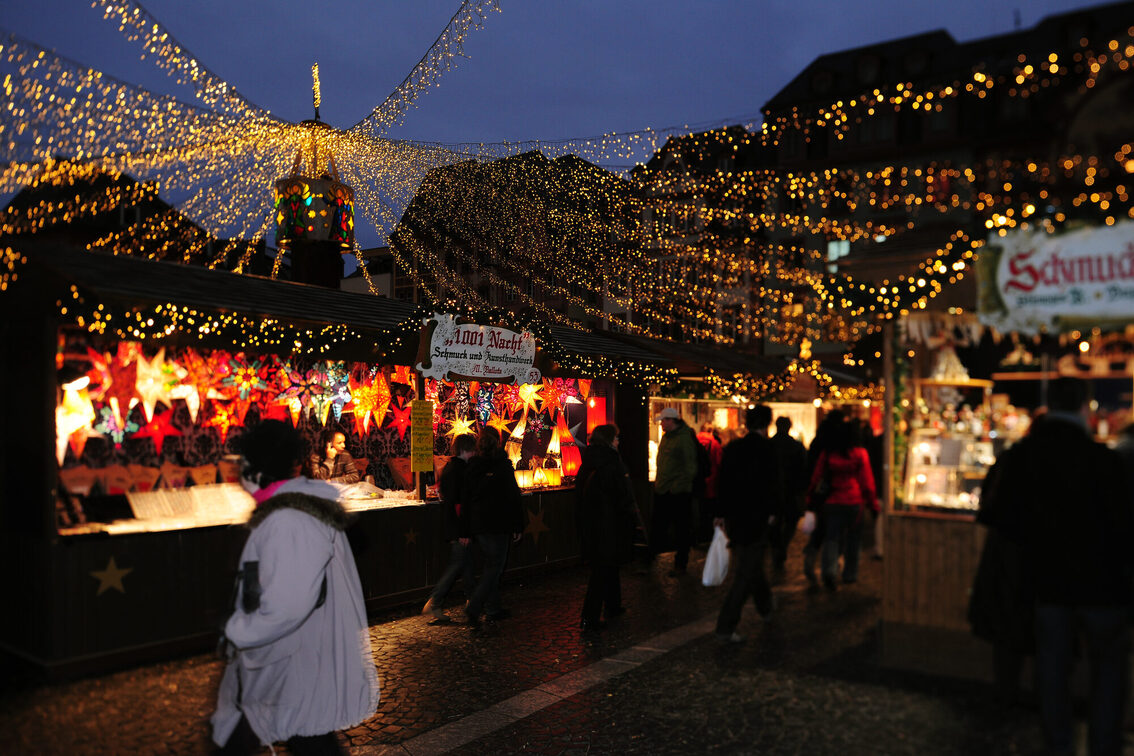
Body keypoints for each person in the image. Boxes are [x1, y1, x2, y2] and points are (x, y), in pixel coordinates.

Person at [982, 378, 1133, 755]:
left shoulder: (1022, 456)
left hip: (1048, 585)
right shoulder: (1104, 460)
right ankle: (1104, 745)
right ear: (1085, 408)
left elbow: (1000, 519)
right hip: (1105, 588)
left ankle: (1058, 746)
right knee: (1109, 672)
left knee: (1052, 672)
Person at [212, 420, 379, 755]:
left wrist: (236, 630)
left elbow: (287, 605)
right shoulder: (289, 513)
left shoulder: (289, 520)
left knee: (304, 740)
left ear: (259, 471)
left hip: (294, 665)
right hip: (288, 663)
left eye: (241, 466)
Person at [713, 405, 783, 643]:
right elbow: (774, 484)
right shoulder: (769, 449)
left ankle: (765, 607)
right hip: (759, 516)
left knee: (750, 563)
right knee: (746, 571)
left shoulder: (733, 448)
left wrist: (720, 512)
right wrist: (773, 512)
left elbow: (724, 481)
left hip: (736, 515)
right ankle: (725, 626)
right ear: (766, 425)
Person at [461, 426, 524, 631]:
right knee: (495, 566)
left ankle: (493, 607)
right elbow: (513, 497)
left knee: (491, 565)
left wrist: (466, 528)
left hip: (479, 523)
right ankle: (476, 605)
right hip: (499, 522)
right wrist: (517, 524)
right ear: (498, 442)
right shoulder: (503, 466)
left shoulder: (472, 466)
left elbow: (467, 499)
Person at [575, 423, 637, 633]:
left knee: (608, 566)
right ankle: (589, 617)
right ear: (609, 440)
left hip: (592, 524)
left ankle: (613, 605)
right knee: (602, 570)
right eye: (617, 438)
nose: (619, 441)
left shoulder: (588, 462)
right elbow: (621, 495)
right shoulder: (611, 463)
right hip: (609, 525)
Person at [808, 416, 876, 591]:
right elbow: (867, 482)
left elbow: (816, 478)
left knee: (831, 538)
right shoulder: (860, 454)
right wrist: (873, 503)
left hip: (832, 501)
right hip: (854, 501)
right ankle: (850, 574)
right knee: (854, 539)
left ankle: (829, 571)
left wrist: (811, 499)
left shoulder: (829, 453)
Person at [421, 434, 477, 625]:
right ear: (466, 450)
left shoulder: (449, 468)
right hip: (459, 527)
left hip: (453, 525)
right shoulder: (461, 471)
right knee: (457, 564)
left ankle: (472, 601)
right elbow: (460, 504)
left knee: (465, 562)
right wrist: (464, 531)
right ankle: (435, 601)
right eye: (472, 450)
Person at [651, 407, 698, 576]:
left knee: (680, 529)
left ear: (671, 421)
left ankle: (680, 563)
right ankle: (652, 558)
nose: (661, 424)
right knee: (660, 526)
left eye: (663, 421)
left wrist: (676, 487)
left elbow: (690, 466)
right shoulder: (667, 438)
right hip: (664, 489)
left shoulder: (683, 439)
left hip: (677, 493)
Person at [802, 410, 845, 585]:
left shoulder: (817, 441)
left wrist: (810, 493)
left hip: (820, 494)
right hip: (837, 493)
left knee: (819, 531)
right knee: (835, 533)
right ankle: (831, 568)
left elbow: (811, 468)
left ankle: (810, 562)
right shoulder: (841, 444)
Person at [769, 416, 808, 582]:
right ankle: (782, 546)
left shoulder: (769, 446)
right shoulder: (796, 446)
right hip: (792, 490)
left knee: (774, 522)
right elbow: (804, 469)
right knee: (790, 521)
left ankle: (778, 546)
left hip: (773, 491)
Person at [696, 422, 724, 545]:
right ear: (711, 431)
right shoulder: (715, 444)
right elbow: (720, 464)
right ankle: (708, 536)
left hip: (697, 482)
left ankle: (699, 535)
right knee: (710, 512)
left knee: (699, 511)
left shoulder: (694, 442)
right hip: (712, 484)